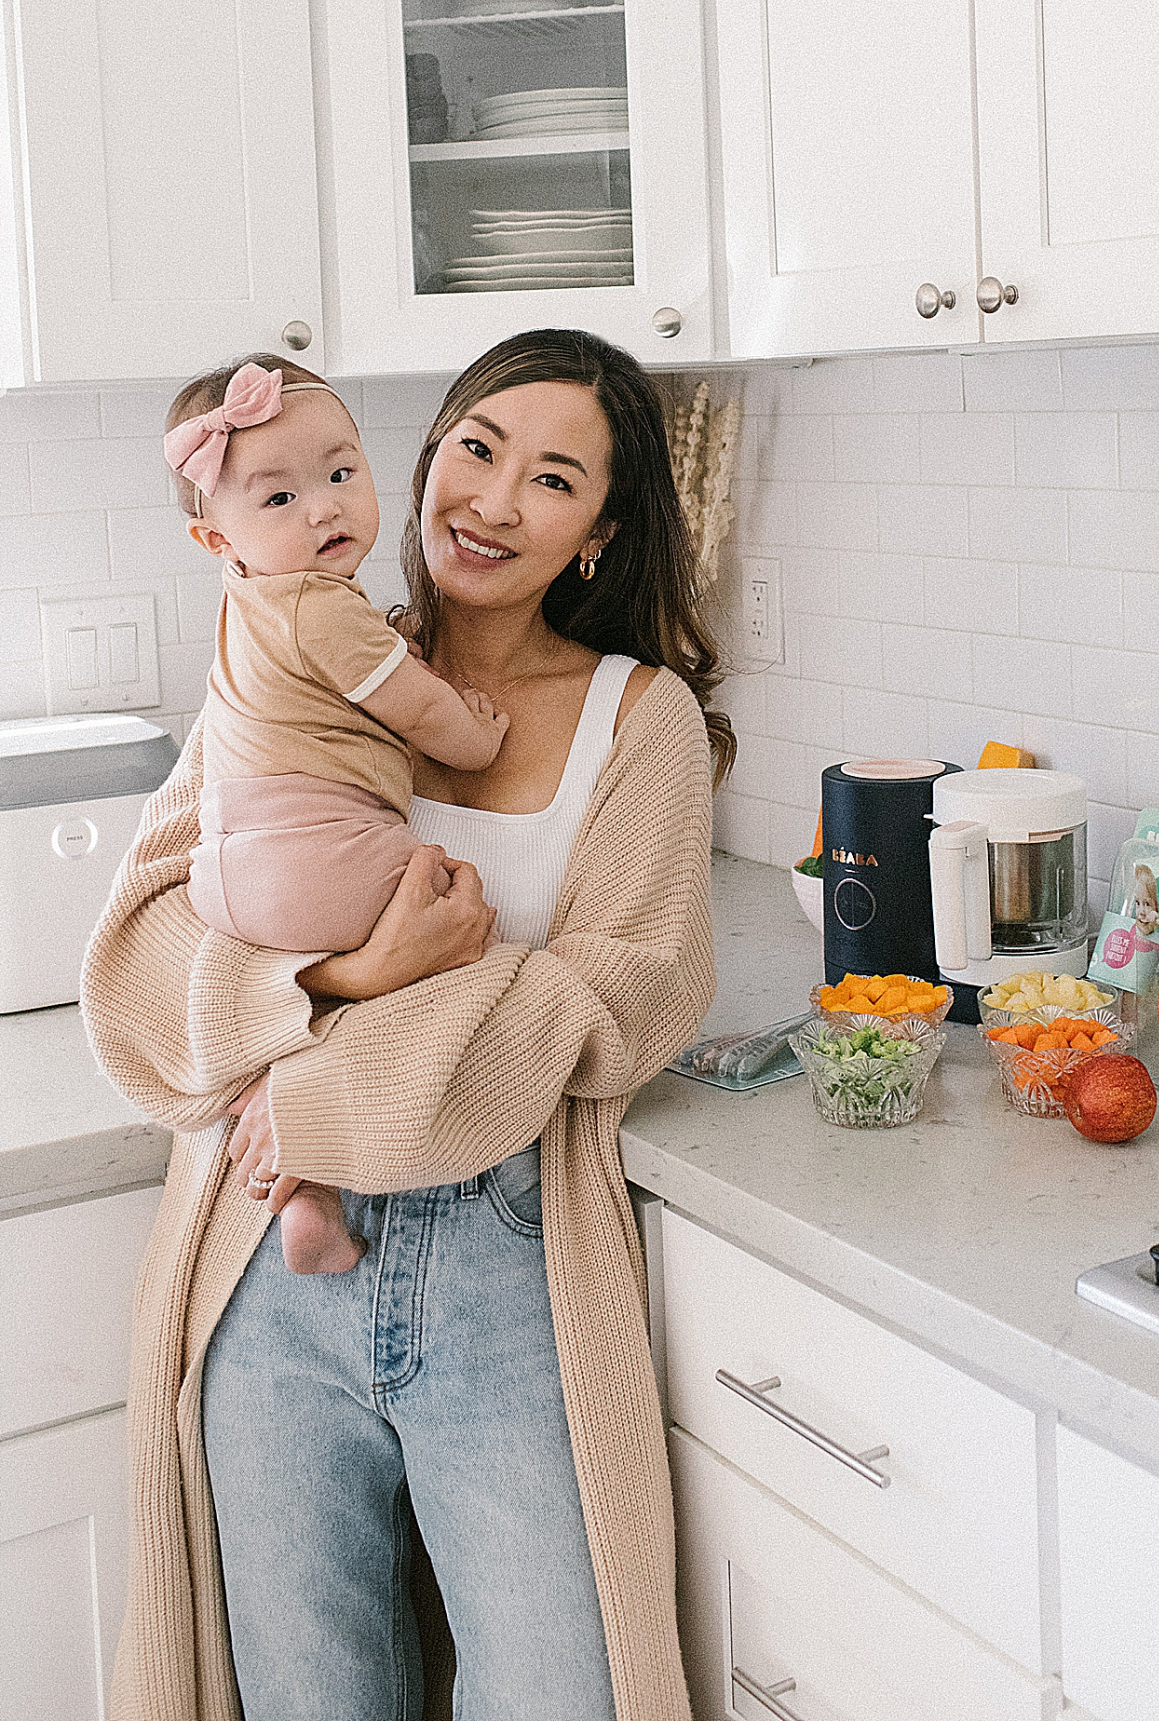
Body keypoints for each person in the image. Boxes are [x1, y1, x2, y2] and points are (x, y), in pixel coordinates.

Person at [81, 328, 733, 1721]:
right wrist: (358, 976)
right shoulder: (292, 648)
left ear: (597, 534)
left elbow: (621, 998)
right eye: (476, 449)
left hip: (509, 1256)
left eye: (551, 479)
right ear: (426, 456)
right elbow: (142, 953)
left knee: (556, 1688)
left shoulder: (641, 722)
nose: (493, 501)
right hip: (265, 1266)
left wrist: (319, 1087)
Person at [162, 356, 509, 1275]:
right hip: (318, 853)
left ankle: (295, 1179)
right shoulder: (324, 609)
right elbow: (430, 718)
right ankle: (321, 1164)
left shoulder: (248, 605)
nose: (324, 509)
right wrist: (478, 733)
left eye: (342, 473)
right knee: (455, 940)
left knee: (304, 1012)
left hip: (228, 872)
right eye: (278, 500)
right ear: (215, 539)